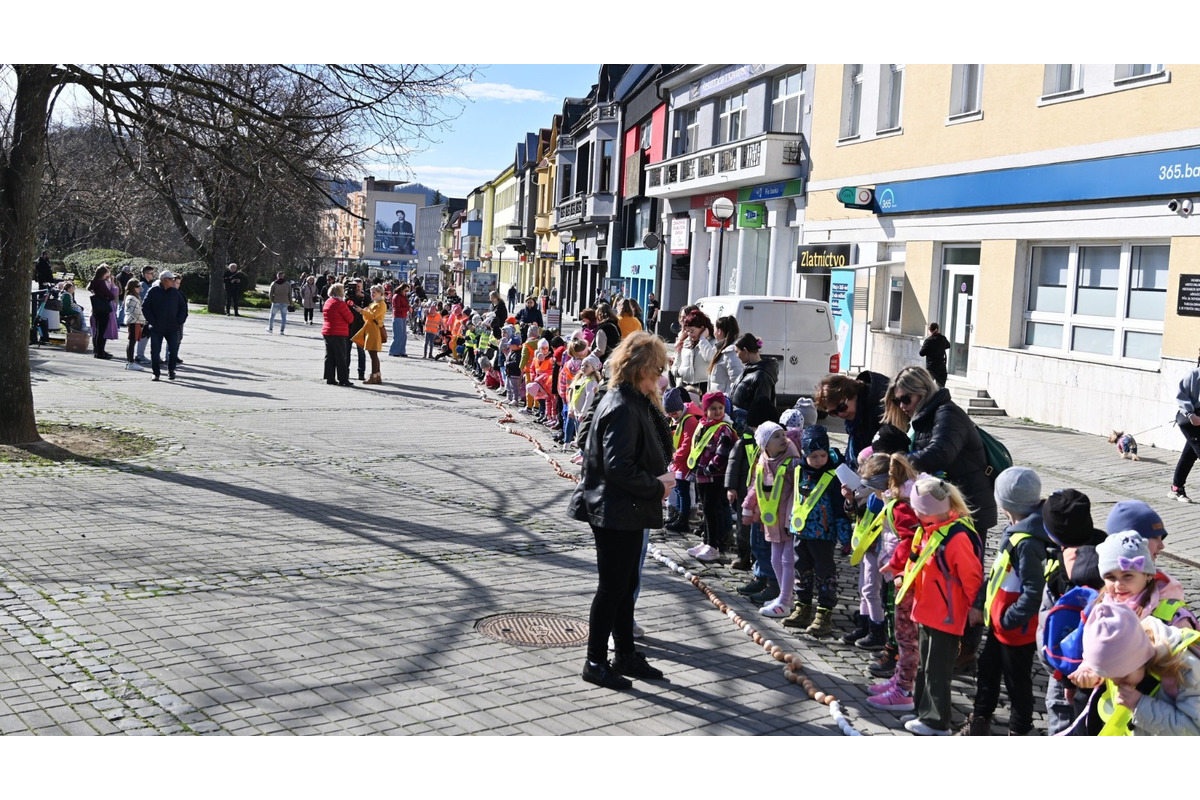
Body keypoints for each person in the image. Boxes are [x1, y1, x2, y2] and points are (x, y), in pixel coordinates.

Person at [568, 331, 675, 691]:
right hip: (614, 509)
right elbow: (618, 467)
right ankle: (595, 660)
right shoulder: (622, 404)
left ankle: (625, 653)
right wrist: (658, 485)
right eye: (657, 368)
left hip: (623, 507)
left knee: (625, 583)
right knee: (612, 587)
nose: (660, 375)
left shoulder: (632, 398)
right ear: (640, 368)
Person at [958, 466, 1052, 736]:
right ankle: (979, 720)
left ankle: (1019, 730)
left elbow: (1035, 591)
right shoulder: (1014, 530)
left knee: (1017, 683)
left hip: (1016, 628)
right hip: (1001, 623)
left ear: (1004, 504)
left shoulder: (1028, 542)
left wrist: (1009, 619)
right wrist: (980, 603)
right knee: (987, 671)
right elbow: (997, 574)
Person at [901, 476, 984, 736]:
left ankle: (937, 722)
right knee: (925, 666)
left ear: (929, 512)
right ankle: (922, 710)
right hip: (928, 610)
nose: (914, 513)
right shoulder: (932, 530)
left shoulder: (956, 537)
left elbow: (972, 577)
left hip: (945, 615)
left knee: (938, 670)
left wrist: (975, 606)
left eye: (917, 510)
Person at [883, 365, 998, 532]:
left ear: (923, 392)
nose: (901, 406)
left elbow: (940, 453)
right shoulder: (923, 417)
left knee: (961, 558)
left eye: (905, 399)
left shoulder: (948, 414)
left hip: (967, 509)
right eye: (897, 401)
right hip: (944, 506)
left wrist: (898, 462)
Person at [1063, 604, 1200, 736]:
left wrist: (1140, 706)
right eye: (1110, 678)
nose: (1117, 684)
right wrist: (1095, 675)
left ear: (1142, 658)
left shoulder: (1186, 670)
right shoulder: (1130, 663)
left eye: (1123, 677)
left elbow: (1193, 731)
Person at [860, 452, 922, 713]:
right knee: (900, 631)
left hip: (904, 579)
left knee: (906, 636)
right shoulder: (896, 498)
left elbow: (911, 540)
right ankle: (899, 678)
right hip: (899, 575)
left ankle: (904, 689)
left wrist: (896, 566)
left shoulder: (900, 505)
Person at [784, 425, 852, 637]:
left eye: (823, 455)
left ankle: (824, 612)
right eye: (814, 456)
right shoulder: (799, 471)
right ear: (805, 453)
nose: (819, 460)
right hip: (801, 531)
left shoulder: (833, 476)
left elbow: (840, 510)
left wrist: (845, 538)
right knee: (801, 568)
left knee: (825, 572)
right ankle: (802, 606)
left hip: (824, 534)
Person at [742, 422, 799, 618]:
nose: (783, 438)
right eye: (776, 436)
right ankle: (786, 597)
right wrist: (748, 508)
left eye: (783, 434)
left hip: (789, 520)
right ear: (766, 445)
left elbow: (799, 491)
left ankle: (784, 600)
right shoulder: (763, 463)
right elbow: (755, 488)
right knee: (775, 559)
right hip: (772, 520)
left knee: (787, 560)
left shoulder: (792, 462)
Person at [1094, 532, 1196, 629]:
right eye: (1110, 577)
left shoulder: (1173, 616)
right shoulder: (1101, 605)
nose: (1118, 585)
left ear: (1148, 575)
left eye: (1127, 576)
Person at [686, 391, 738, 563]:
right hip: (700, 474)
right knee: (706, 509)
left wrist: (710, 468)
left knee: (711, 509)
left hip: (714, 476)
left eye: (720, 408)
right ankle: (706, 541)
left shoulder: (723, 429)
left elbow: (722, 453)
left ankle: (713, 545)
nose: (717, 411)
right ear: (705, 409)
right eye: (713, 408)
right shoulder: (703, 425)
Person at [814, 370, 892, 470]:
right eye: (833, 413)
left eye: (841, 407)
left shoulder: (880, 410)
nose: (840, 414)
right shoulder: (856, 417)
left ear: (852, 394)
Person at [663, 387, 702, 533]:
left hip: (684, 463)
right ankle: (679, 516)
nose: (673, 416)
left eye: (674, 413)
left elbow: (687, 444)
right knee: (679, 491)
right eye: (670, 414)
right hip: (678, 463)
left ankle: (683, 518)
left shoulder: (689, 421)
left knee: (683, 492)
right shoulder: (678, 419)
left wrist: (675, 457)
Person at [141, 270, 188, 381]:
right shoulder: (153, 291)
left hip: (172, 327)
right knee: (155, 350)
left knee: (173, 350)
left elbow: (183, 309)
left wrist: (179, 321)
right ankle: (156, 373)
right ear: (163, 280)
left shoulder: (176, 293)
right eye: (170, 279)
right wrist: (152, 321)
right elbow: (145, 307)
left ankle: (171, 371)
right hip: (157, 327)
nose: (173, 281)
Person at [1170, 364, 1200, 503]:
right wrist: (1191, 414)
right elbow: (1182, 396)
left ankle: (1176, 489)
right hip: (1191, 420)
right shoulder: (1194, 374)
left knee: (1189, 455)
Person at [729, 333, 778, 415]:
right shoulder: (748, 370)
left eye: (737, 352)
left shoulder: (762, 375)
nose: (737, 356)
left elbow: (761, 409)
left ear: (745, 351)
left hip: (749, 426)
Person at [671, 310, 715, 393]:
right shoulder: (684, 342)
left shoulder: (712, 343)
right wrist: (677, 371)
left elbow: (710, 358)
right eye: (688, 331)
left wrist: (702, 339)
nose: (690, 334)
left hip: (703, 386)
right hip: (684, 386)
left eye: (692, 331)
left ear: (702, 329)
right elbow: (676, 363)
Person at [351, 284, 387, 385]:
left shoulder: (381, 304)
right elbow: (367, 317)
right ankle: (377, 375)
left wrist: (362, 311)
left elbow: (374, 316)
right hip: (370, 329)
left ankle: (373, 375)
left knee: (373, 354)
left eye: (374, 292)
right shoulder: (374, 303)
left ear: (380, 293)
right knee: (373, 353)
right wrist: (364, 312)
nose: (372, 294)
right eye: (371, 292)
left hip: (374, 330)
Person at [321, 283, 354, 386]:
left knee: (329, 355)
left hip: (327, 331)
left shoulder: (328, 301)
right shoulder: (340, 303)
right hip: (339, 332)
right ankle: (343, 379)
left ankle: (330, 377)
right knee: (340, 356)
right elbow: (350, 318)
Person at [86, 264, 118, 360]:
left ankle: (97, 351)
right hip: (104, 308)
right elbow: (111, 295)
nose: (108, 274)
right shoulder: (101, 283)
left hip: (96, 308)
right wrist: (110, 295)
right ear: (103, 273)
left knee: (98, 331)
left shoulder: (94, 282)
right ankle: (100, 352)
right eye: (107, 272)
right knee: (102, 332)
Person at [706, 316, 744, 395]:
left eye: (714, 329)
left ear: (719, 331)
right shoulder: (719, 349)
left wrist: (727, 400)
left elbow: (736, 380)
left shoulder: (731, 352)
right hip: (717, 400)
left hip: (724, 402)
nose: (713, 332)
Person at [122, 278, 147, 371]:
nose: (139, 288)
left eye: (139, 286)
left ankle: (130, 362)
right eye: (137, 286)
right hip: (134, 321)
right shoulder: (131, 298)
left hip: (135, 321)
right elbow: (136, 312)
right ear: (132, 287)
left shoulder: (133, 297)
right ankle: (130, 362)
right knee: (132, 341)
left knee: (132, 341)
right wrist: (144, 321)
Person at [920, 322, 951, 388]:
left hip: (931, 367)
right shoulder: (942, 339)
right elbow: (948, 345)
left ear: (930, 330)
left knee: (928, 387)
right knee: (940, 388)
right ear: (937, 329)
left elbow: (921, 353)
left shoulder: (929, 341)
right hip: (941, 367)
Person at [134, 267, 155, 364]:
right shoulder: (143, 285)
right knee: (144, 335)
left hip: (145, 314)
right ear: (146, 274)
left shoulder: (147, 284)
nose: (153, 275)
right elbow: (146, 300)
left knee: (145, 335)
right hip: (144, 314)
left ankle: (140, 355)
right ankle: (140, 355)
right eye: (151, 273)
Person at [390, 282, 410, 357]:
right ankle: (394, 351)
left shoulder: (404, 297)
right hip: (398, 316)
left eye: (407, 291)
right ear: (401, 289)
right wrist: (407, 308)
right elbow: (397, 308)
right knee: (398, 335)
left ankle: (402, 351)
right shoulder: (396, 296)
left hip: (403, 316)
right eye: (405, 291)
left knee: (403, 335)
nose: (406, 293)